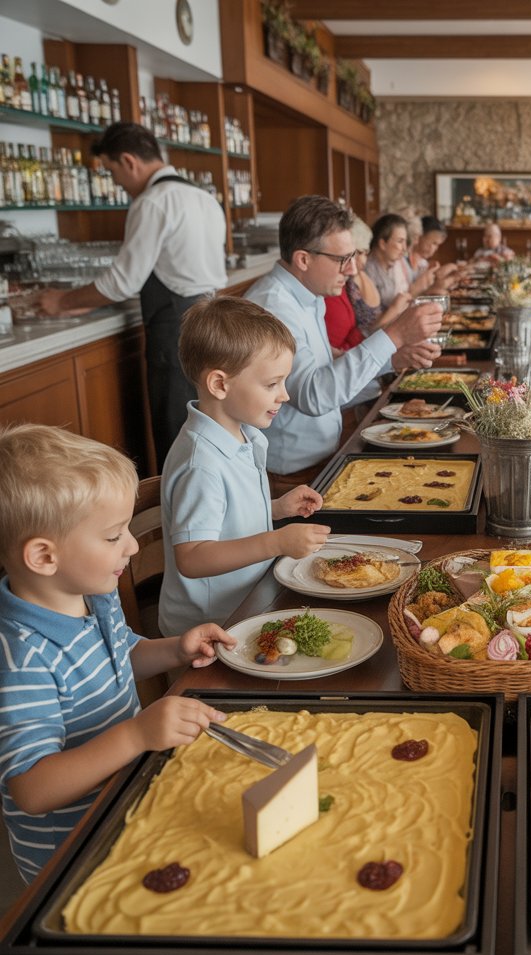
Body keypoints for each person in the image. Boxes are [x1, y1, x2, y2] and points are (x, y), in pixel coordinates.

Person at [0, 423, 232, 884]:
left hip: (121, 806)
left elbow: (120, 658)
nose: (131, 544)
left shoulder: (92, 594)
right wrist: (135, 736)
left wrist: (174, 650)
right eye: (112, 536)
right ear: (44, 557)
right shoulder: (20, 660)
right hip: (70, 856)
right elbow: (32, 789)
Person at [37, 122, 227, 468]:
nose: (118, 184)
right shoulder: (203, 197)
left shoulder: (153, 202)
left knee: (175, 428)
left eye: (112, 171)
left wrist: (60, 302)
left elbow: (121, 282)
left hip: (176, 326)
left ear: (129, 161)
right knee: (207, 423)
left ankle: (178, 517)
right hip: (211, 319)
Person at [245, 196, 443, 497]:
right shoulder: (273, 307)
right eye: (342, 259)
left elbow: (329, 376)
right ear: (303, 259)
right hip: (287, 481)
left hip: (320, 460)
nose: (351, 270)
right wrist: (393, 336)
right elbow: (314, 395)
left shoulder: (308, 295)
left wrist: (391, 359)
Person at [158, 297, 331, 637]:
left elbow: (223, 519)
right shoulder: (201, 464)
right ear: (220, 384)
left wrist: (276, 509)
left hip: (251, 602)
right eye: (271, 384)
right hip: (211, 628)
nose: (285, 396)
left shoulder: (241, 435)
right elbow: (193, 557)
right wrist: (276, 542)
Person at [365, 213, 450, 307]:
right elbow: (378, 318)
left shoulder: (393, 264)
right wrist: (418, 289)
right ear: (383, 244)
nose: (405, 248)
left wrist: (431, 288)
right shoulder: (369, 270)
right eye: (400, 241)